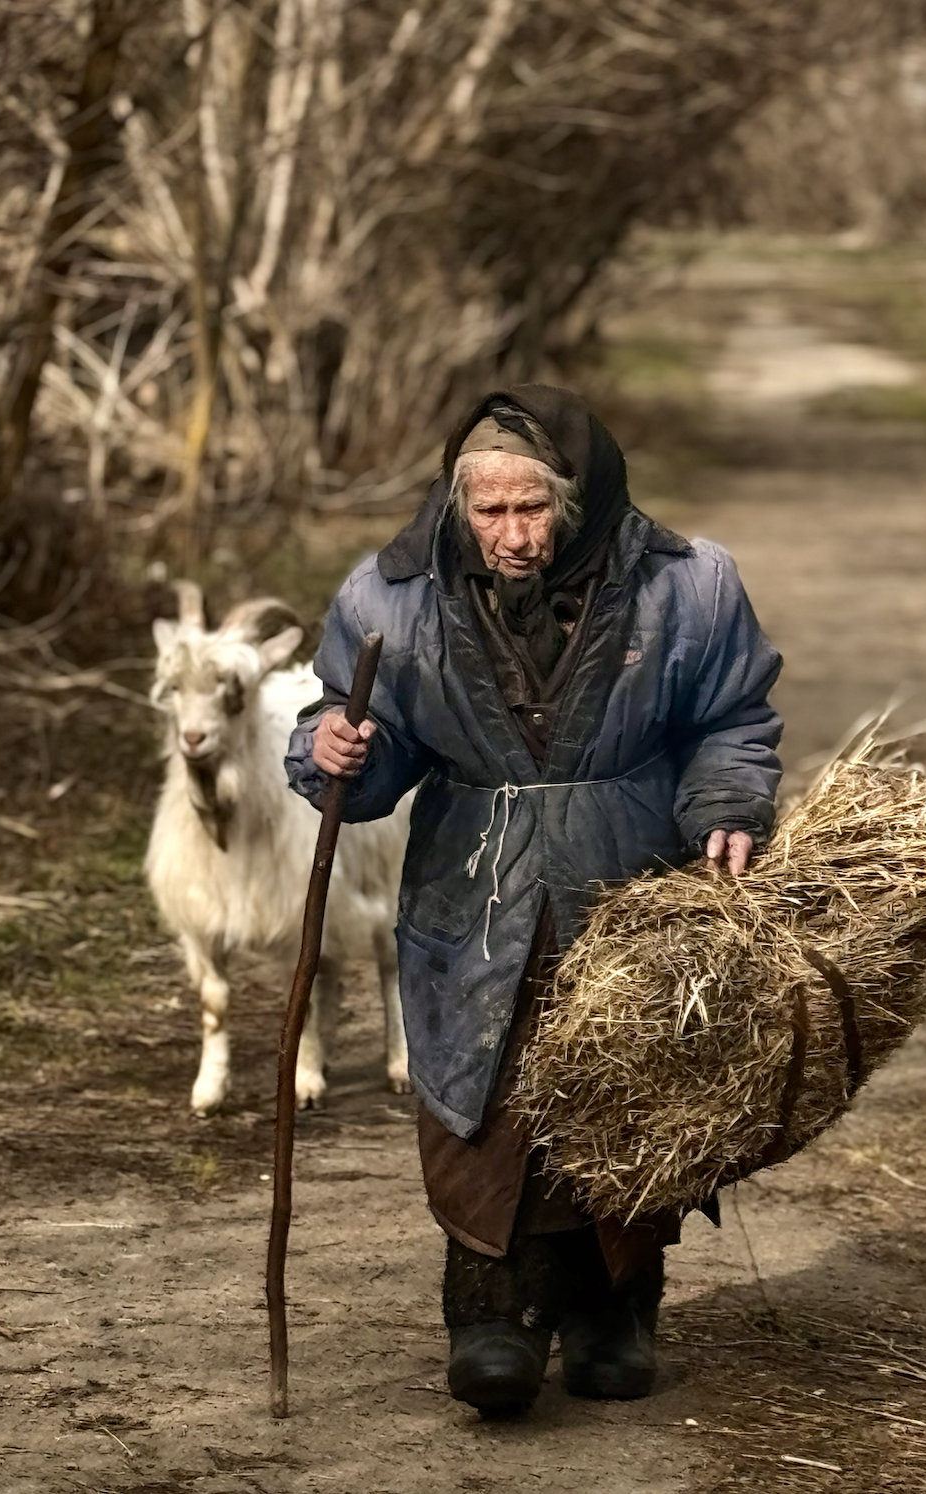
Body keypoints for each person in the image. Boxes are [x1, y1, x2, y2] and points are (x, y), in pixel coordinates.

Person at [285, 385, 782, 1418]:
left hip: (625, 871)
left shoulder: (683, 587)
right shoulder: (393, 597)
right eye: (487, 512)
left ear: (580, 499)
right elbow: (358, 733)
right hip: (474, 884)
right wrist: (332, 749)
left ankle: (614, 1312)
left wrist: (729, 802)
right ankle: (486, 1313)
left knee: (626, 1085)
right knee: (484, 1089)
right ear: (457, 505)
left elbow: (729, 717)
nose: (510, 536)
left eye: (531, 510)